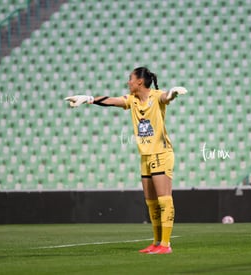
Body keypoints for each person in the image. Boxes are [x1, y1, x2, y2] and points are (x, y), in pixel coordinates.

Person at [65, 67, 187, 254]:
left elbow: (165, 98)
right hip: (145, 156)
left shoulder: (156, 96)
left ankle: (165, 244)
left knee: (164, 200)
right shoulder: (133, 100)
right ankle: (156, 243)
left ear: (139, 82)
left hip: (161, 153)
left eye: (130, 79)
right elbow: (111, 101)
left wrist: (172, 94)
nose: (128, 82)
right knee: (151, 202)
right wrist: (88, 99)